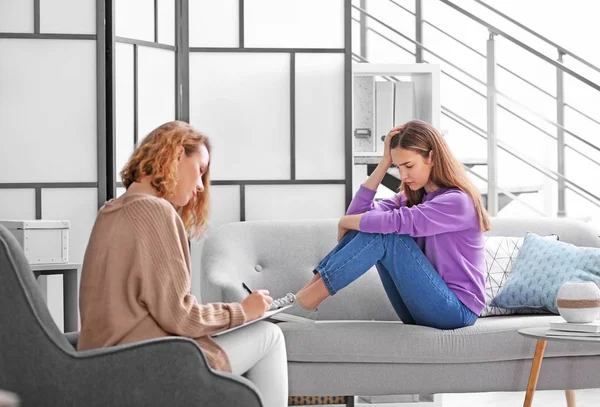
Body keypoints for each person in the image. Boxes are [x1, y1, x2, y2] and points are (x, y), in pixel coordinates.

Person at [78, 120, 288, 407]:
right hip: (147, 366)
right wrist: (242, 311)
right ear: (176, 155)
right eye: (200, 170)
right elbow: (180, 317)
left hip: (101, 366)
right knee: (270, 335)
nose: (201, 186)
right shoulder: (156, 211)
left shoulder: (110, 211)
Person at [270, 120, 490, 330]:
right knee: (377, 227)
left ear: (431, 157)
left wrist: (344, 222)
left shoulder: (457, 201)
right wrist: (384, 162)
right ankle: (300, 301)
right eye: (397, 166)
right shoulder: (411, 198)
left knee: (386, 232)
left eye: (408, 165)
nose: (402, 175)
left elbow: (375, 222)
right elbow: (358, 216)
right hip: (420, 305)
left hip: (456, 311)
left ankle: (303, 303)